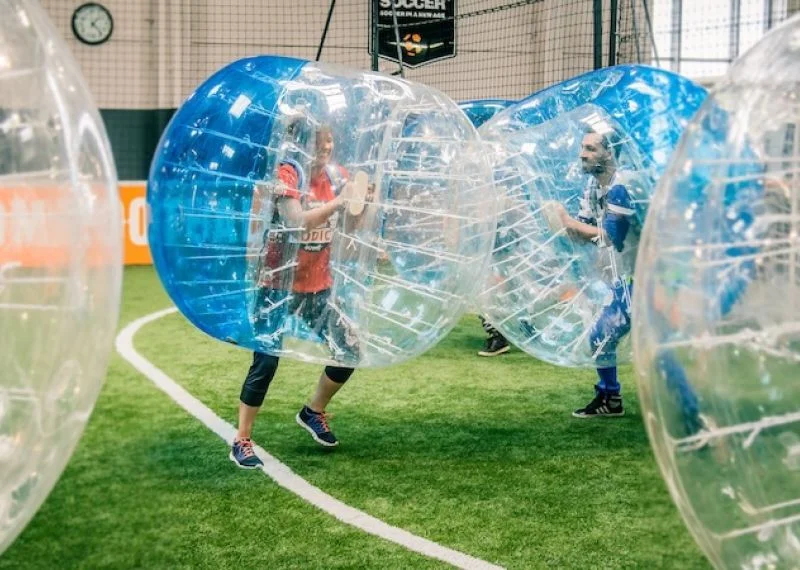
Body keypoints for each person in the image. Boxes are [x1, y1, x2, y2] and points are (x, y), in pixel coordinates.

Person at [230, 121, 372, 469]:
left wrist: (360, 205)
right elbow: (294, 221)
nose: (326, 146)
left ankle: (313, 411)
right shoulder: (288, 173)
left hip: (316, 287)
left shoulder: (338, 176)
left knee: (350, 349)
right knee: (266, 360)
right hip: (277, 284)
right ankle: (242, 440)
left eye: (330, 140)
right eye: (319, 141)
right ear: (303, 143)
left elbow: (349, 226)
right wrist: (340, 202)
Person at [551, 125, 638, 418]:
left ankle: (690, 409)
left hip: (651, 278)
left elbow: (611, 236)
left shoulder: (623, 186)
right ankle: (610, 398)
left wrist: (568, 222)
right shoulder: (592, 187)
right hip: (624, 278)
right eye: (582, 148)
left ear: (610, 152)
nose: (582, 154)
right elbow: (584, 233)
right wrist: (561, 225)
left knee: (657, 348)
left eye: (591, 149)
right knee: (602, 334)